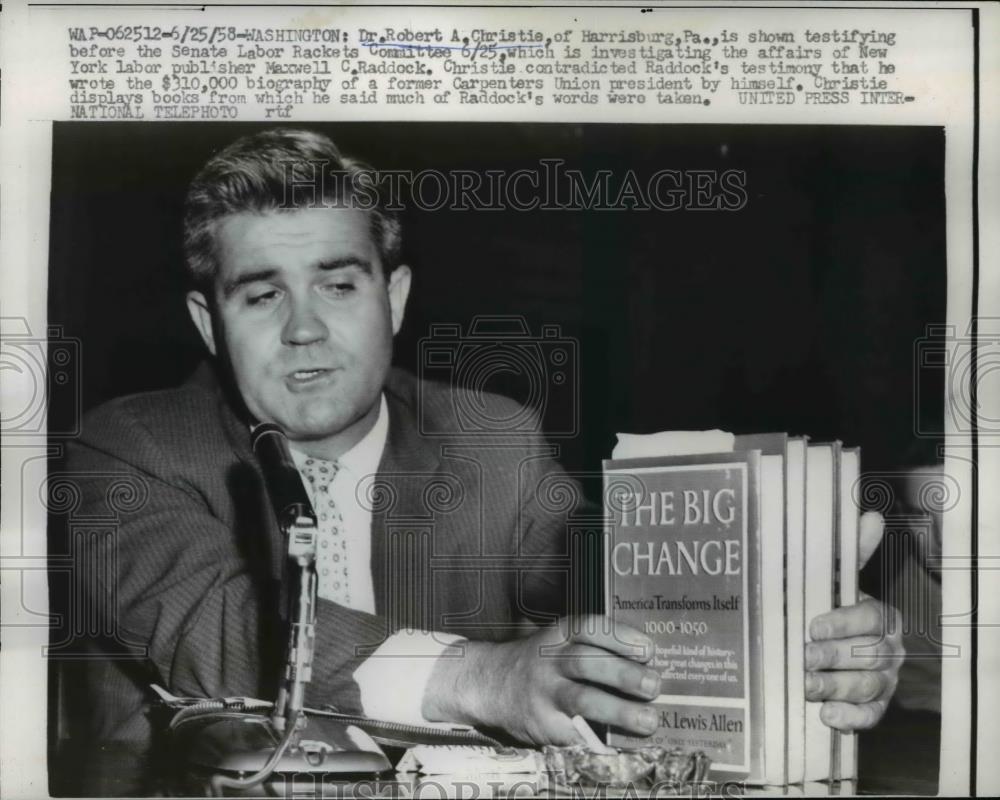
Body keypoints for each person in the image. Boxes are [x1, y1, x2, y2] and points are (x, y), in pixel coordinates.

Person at [63, 128, 902, 788]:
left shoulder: (492, 439)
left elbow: (604, 603)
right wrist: (492, 679)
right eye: (262, 293)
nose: (304, 328)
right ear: (209, 323)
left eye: (338, 282)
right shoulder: (125, 449)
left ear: (392, 297)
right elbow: (230, 629)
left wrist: (782, 633)